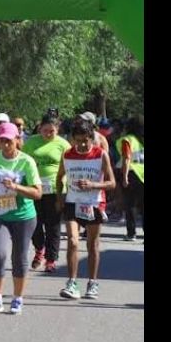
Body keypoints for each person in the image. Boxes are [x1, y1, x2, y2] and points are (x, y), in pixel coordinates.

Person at [0, 122, 42, 315]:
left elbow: (37, 193)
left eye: (9, 141)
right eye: (2, 141)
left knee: (19, 257)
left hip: (23, 216)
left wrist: (16, 187)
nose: (5, 145)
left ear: (17, 140)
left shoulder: (26, 161)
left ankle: (17, 298)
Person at [56, 118, 116, 300]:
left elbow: (112, 183)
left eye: (86, 140)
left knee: (92, 245)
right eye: (78, 140)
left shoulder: (100, 154)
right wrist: (60, 198)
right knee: (73, 241)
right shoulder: (67, 155)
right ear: (72, 139)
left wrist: (93, 184)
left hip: (94, 203)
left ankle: (92, 282)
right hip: (73, 203)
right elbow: (59, 178)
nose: (82, 144)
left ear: (92, 138)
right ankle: (72, 282)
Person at [22, 113, 71, 273]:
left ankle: (51, 259)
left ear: (57, 130)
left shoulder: (63, 144)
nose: (48, 134)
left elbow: (70, 168)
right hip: (35, 188)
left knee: (53, 225)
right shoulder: (31, 142)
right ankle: (39, 249)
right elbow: (23, 163)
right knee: (34, 222)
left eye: (52, 131)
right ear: (39, 128)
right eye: (45, 131)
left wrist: (67, 192)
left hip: (56, 190)